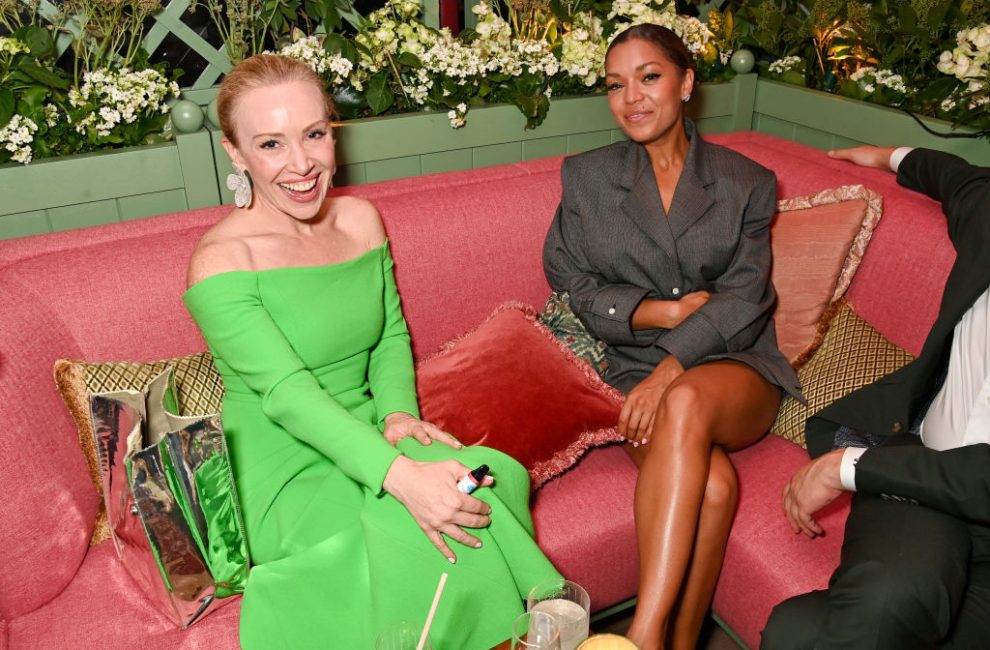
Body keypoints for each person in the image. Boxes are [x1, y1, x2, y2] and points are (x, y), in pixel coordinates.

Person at [183, 54, 561, 649]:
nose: (302, 164)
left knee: (482, 478)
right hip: (282, 463)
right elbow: (287, 396)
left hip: (370, 428)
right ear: (235, 153)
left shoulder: (361, 219)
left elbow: (388, 335)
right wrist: (401, 476)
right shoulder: (221, 261)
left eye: (313, 135)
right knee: (406, 523)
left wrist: (398, 416)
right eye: (271, 145)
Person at [543, 23, 802, 650]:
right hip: (630, 368)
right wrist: (659, 313)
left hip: (734, 363)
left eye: (649, 76)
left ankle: (644, 633)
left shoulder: (748, 182)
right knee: (714, 489)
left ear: (686, 84)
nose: (631, 97)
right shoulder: (587, 178)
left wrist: (671, 366)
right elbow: (568, 277)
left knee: (683, 397)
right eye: (615, 84)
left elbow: (746, 297)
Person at [762, 145, 990, 649]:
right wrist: (883, 155)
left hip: (956, 487)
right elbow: (956, 177)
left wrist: (849, 467)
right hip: (925, 484)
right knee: (890, 598)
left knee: (795, 633)